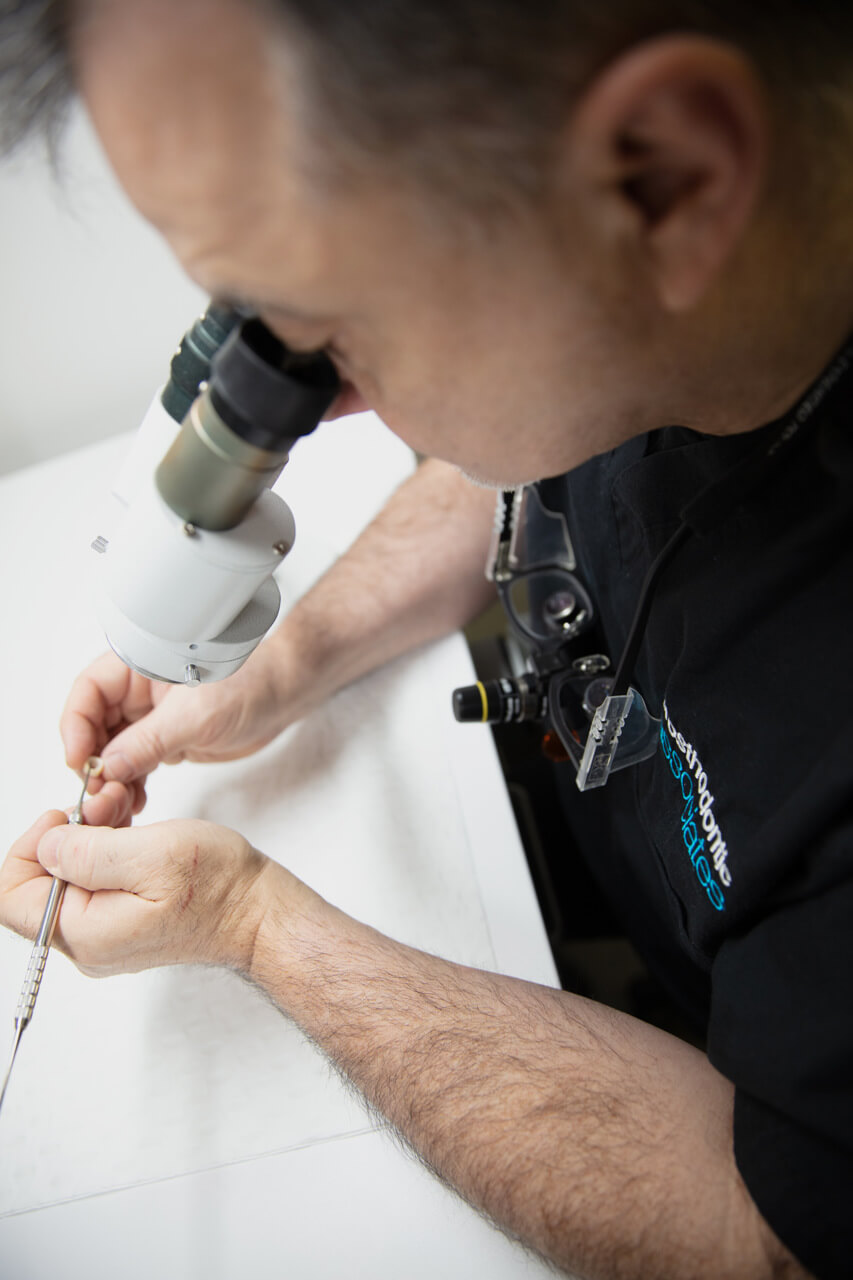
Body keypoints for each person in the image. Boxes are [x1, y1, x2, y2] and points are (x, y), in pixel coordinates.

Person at [0, 1, 850, 1275]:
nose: (307, 391)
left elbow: (767, 1231)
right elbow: (532, 422)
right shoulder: (672, 304)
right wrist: (283, 667)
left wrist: (255, 924)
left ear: (665, 174)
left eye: (324, 318)